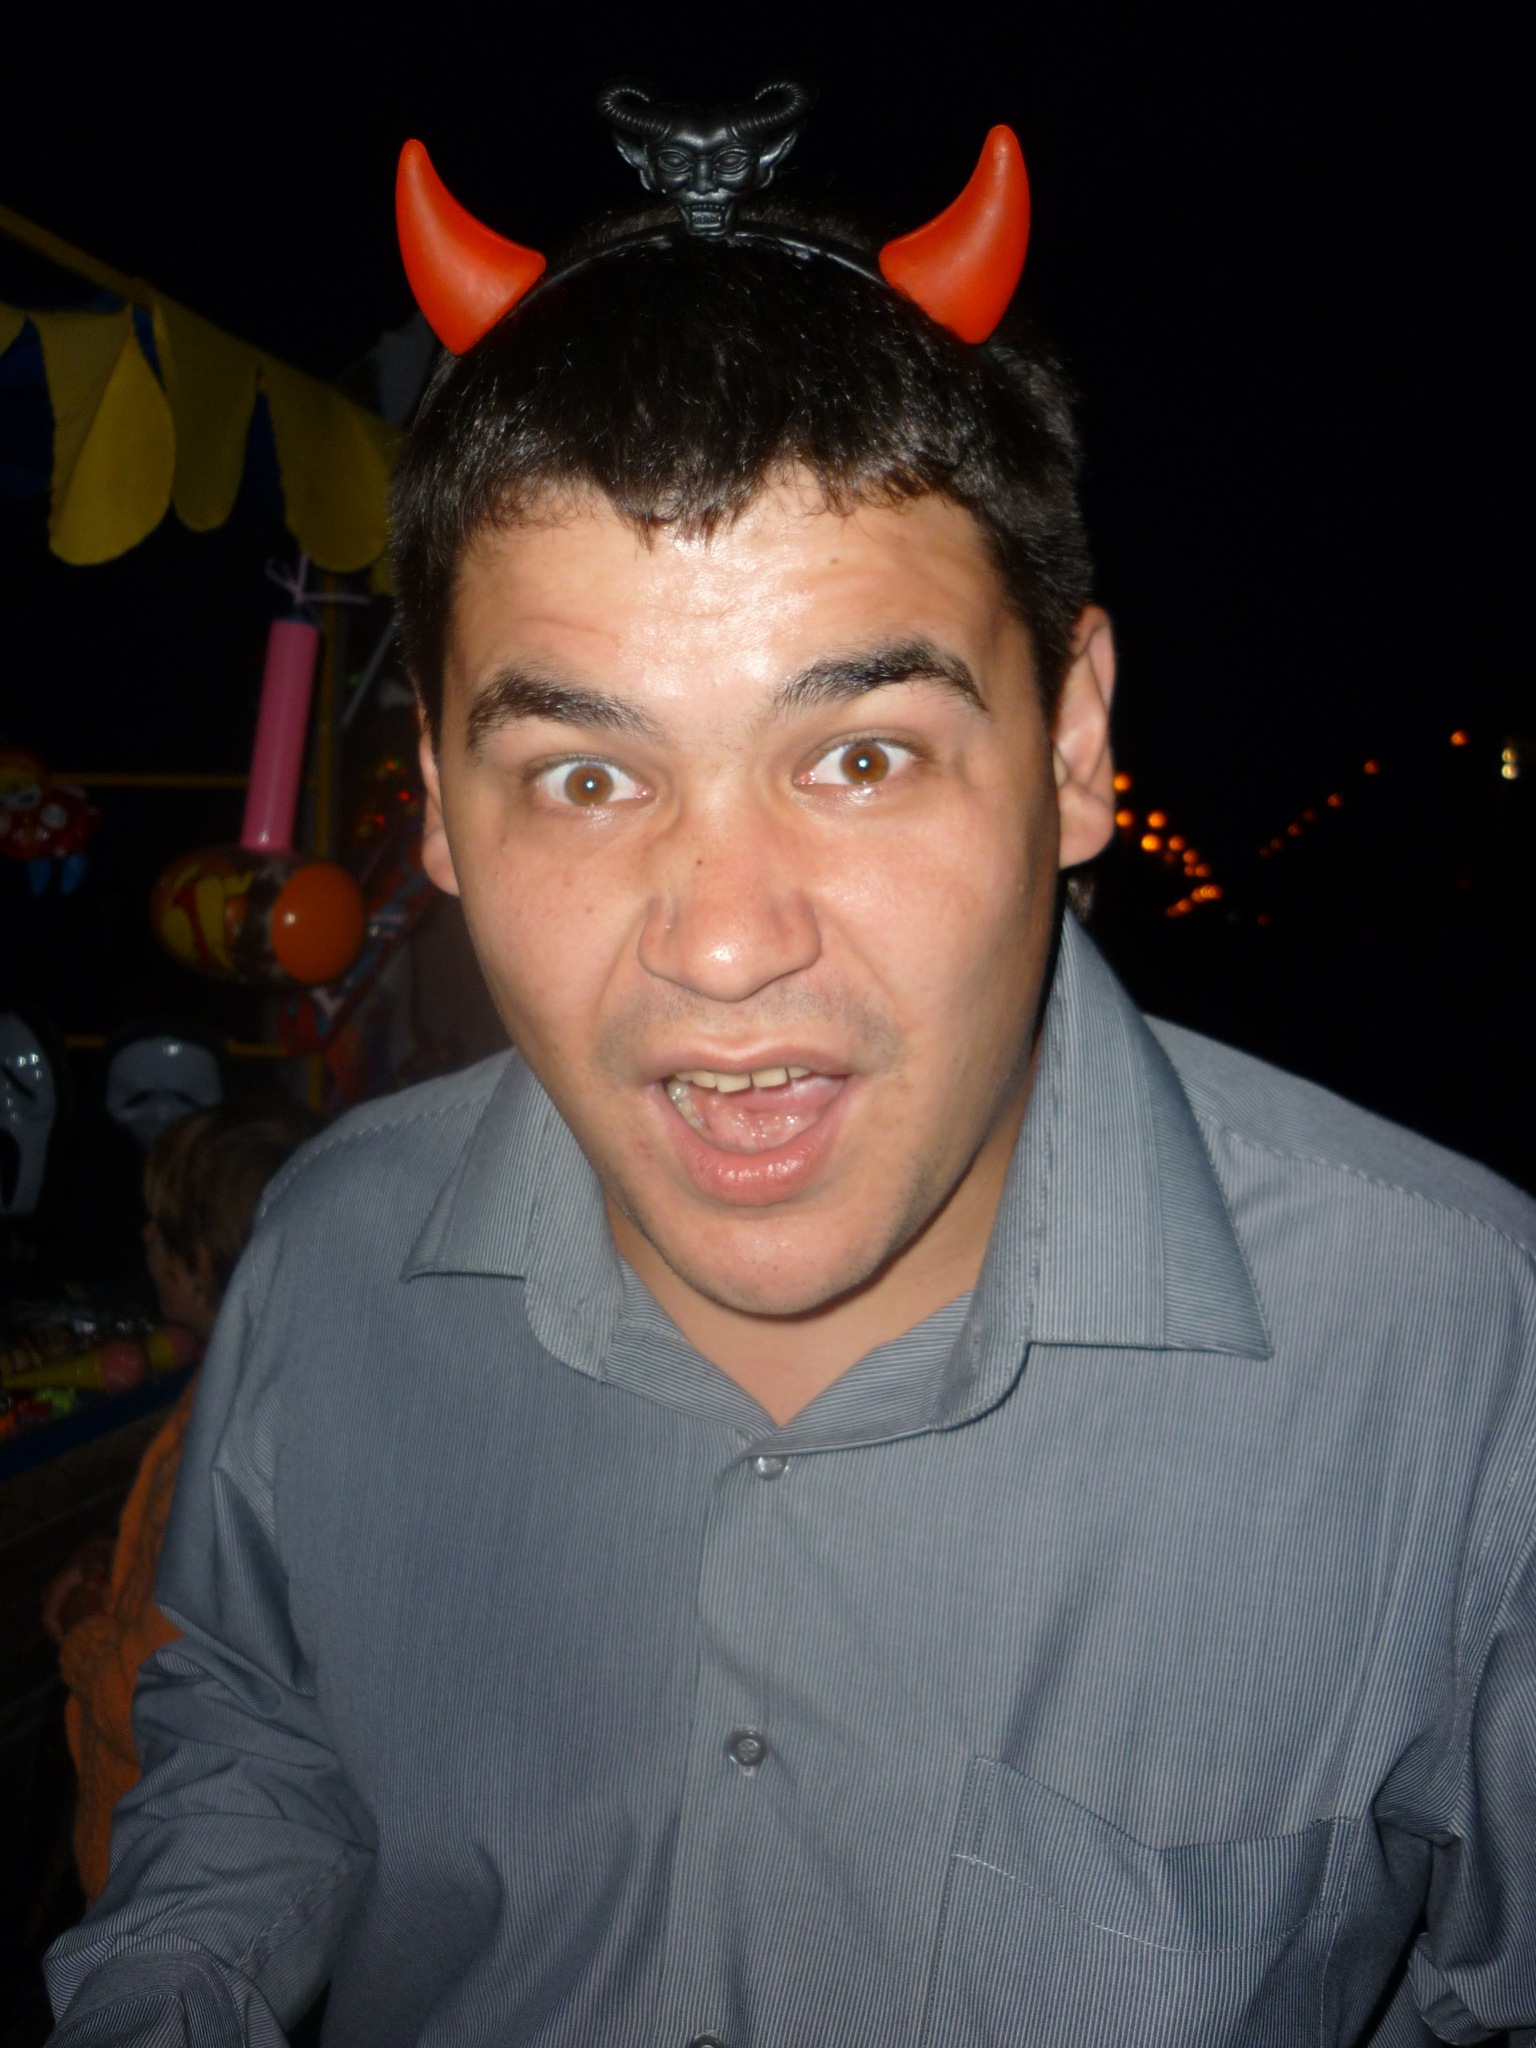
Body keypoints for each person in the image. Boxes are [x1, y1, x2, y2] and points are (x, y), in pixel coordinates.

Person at [44, 91, 1536, 2048]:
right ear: (443, 810)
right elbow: (255, 1725)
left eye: (859, 755)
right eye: (588, 775)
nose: (728, 940)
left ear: (1076, 743)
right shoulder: (332, 1256)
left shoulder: (1460, 1357)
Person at [43, 1100, 318, 1904]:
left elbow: (164, 1708)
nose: (144, 1240)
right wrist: (124, 1565)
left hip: (166, 1873)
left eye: (161, 1230)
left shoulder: (223, 1436)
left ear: (200, 1260)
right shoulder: (277, 1380)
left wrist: (83, 1627)